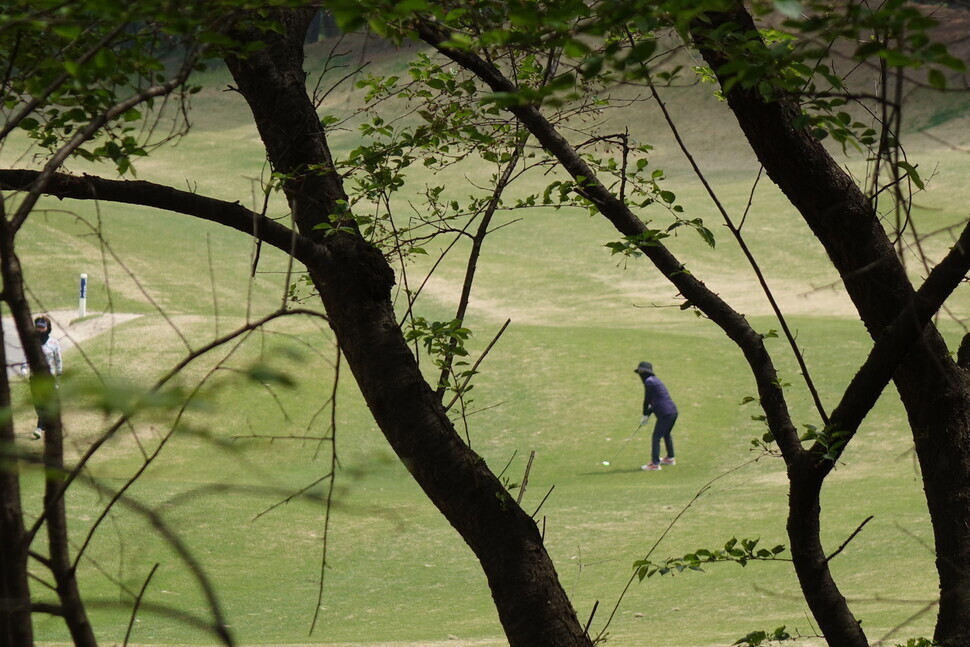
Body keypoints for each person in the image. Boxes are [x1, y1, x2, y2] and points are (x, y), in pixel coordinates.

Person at [20, 315, 63, 440]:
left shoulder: (54, 343)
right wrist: (24, 368)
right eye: (37, 327)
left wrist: (59, 375)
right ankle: (46, 424)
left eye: (42, 328)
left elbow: (58, 360)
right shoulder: (31, 343)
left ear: (48, 328)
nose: (39, 330)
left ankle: (40, 427)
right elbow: (26, 356)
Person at [634, 361, 677, 471]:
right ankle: (670, 458)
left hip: (665, 413)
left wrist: (644, 414)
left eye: (641, 371)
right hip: (672, 412)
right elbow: (655, 402)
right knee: (666, 434)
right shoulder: (655, 381)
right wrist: (647, 414)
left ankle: (654, 464)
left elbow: (647, 400)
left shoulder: (649, 382)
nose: (640, 374)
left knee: (656, 437)